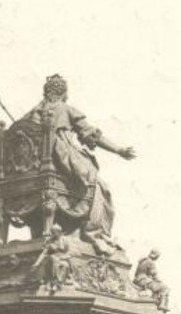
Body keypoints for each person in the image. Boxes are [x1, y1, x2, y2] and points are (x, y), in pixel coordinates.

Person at [19, 73, 135, 255]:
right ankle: (93, 232)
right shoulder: (66, 109)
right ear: (64, 93)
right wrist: (119, 150)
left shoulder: (31, 114)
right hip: (61, 162)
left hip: (30, 171)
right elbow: (92, 136)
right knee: (99, 187)